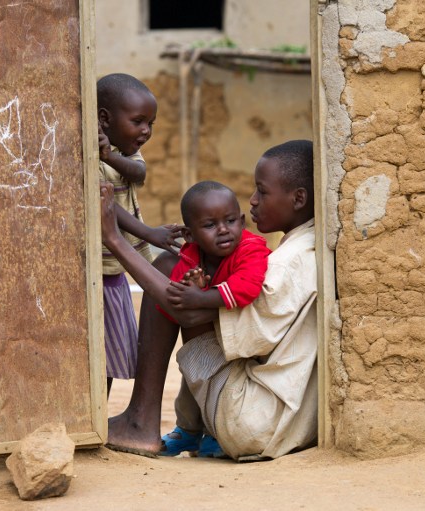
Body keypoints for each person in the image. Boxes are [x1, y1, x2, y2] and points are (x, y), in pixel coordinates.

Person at [100, 140, 318, 461]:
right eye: (210, 225)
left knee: (168, 269)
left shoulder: (286, 264)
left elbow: (188, 315)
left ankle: (141, 421)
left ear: (298, 198)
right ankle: (177, 426)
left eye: (261, 191)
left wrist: (115, 240)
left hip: (249, 419)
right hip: (281, 420)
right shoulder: (307, 246)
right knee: (185, 277)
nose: (253, 200)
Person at [156, 180, 272, 458]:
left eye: (230, 221)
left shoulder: (251, 249)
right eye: (210, 225)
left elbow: (246, 288)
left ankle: (213, 433)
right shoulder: (191, 255)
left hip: (246, 345)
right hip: (210, 341)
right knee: (194, 375)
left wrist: (201, 297)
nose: (223, 230)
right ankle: (188, 431)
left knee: (219, 385)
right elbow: (178, 296)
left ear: (241, 222)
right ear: (190, 235)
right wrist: (192, 285)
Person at [97, 73, 182, 396]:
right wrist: (150, 233)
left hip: (118, 268)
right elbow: (106, 207)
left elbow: (139, 172)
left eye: (151, 124)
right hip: (101, 266)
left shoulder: (121, 151)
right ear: (105, 118)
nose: (146, 131)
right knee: (98, 351)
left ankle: (100, 412)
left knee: (109, 354)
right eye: (138, 122)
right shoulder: (86, 153)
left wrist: (110, 156)